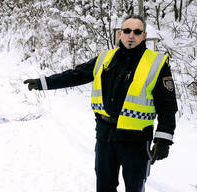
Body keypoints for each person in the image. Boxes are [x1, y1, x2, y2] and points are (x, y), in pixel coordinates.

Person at [24, 15, 178, 192]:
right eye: (127, 31)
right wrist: (44, 83)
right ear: (120, 33)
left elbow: (167, 105)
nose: (131, 35)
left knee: (135, 187)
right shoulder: (105, 58)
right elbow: (76, 75)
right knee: (104, 187)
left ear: (144, 36)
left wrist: (163, 139)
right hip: (105, 137)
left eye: (137, 32)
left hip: (136, 140)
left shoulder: (156, 63)